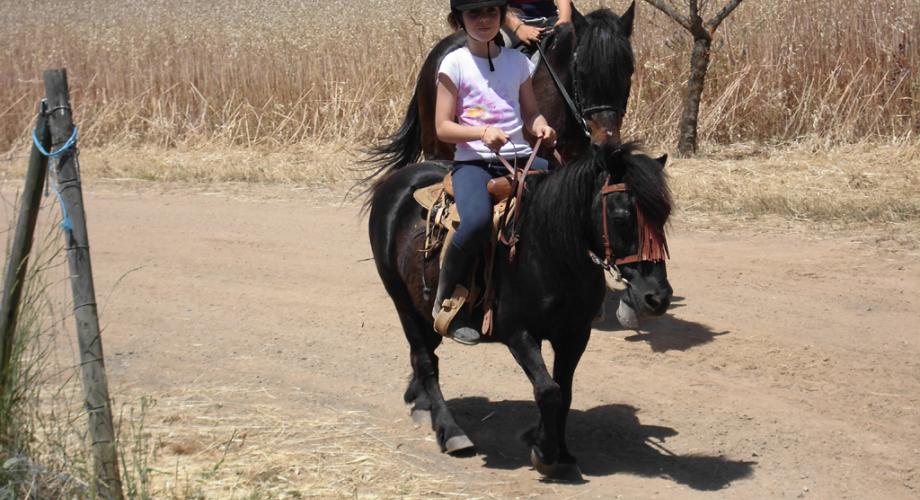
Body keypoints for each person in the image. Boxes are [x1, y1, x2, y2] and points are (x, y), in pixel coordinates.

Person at [433, 0, 557, 345]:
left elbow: (531, 114)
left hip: (520, 158)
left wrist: (542, 126)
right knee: (474, 223)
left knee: (571, 203)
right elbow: (443, 127)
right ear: (459, 19)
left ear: (502, 15)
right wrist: (481, 133)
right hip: (473, 161)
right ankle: (447, 300)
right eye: (474, 13)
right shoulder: (454, 63)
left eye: (491, 12)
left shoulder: (517, 62)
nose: (484, 20)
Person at [501, 0, 573, 50]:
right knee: (499, 49)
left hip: (547, 17)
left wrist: (564, 18)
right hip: (511, 18)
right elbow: (497, 4)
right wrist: (517, 27)